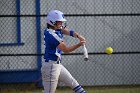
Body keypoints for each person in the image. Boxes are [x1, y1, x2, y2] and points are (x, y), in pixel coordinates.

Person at [41, 10, 87, 93]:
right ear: (52, 22)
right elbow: (66, 49)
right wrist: (79, 45)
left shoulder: (54, 29)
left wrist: (78, 36)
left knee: (75, 84)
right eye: (59, 22)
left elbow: (66, 31)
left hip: (57, 65)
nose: (61, 24)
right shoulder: (52, 35)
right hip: (51, 67)